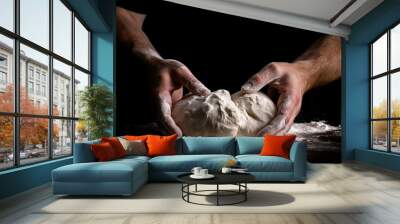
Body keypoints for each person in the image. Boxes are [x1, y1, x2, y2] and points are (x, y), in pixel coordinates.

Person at [116, 2, 341, 137]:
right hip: (168, 101)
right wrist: (151, 59)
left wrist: (306, 71)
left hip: (286, 107)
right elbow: (122, 12)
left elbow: (350, 29)